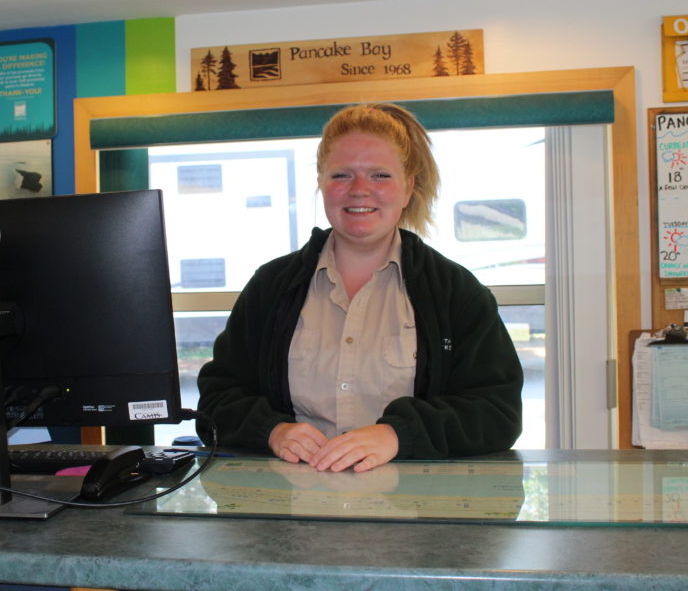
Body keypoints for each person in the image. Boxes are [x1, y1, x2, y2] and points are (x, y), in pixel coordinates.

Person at [196, 102, 522, 473]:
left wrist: (399, 435)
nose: (360, 191)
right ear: (321, 183)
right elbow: (216, 400)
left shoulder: (455, 292)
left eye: (380, 175)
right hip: (293, 514)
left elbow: (498, 411)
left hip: (412, 514)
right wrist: (271, 431)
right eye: (342, 175)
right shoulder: (271, 287)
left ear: (408, 186)